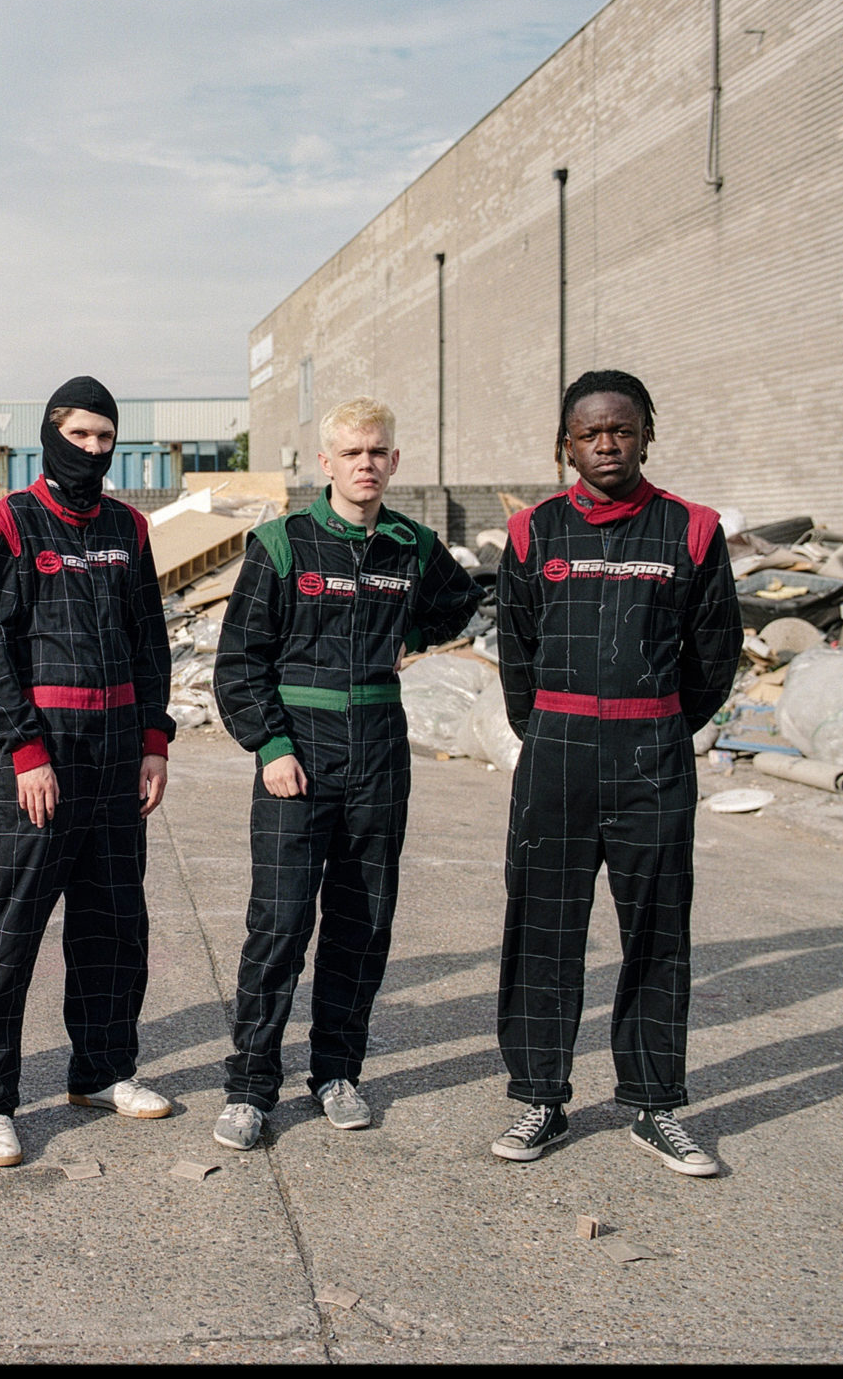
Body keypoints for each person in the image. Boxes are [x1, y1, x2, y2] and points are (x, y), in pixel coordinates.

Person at [210, 398, 480, 1150]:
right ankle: (249, 1086)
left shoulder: (411, 546)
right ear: (324, 464)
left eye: (378, 451)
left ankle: (336, 1073)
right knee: (281, 923)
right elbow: (237, 665)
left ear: (395, 461)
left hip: (379, 755)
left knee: (362, 926)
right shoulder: (282, 544)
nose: (366, 463)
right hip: (299, 754)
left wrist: (408, 632)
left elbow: (461, 604)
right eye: (352, 453)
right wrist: (271, 749)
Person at [489, 370, 740, 1176]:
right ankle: (540, 1097)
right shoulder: (533, 532)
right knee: (544, 931)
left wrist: (660, 726)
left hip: (653, 756)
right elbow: (515, 650)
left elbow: (715, 656)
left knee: (658, 931)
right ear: (565, 443)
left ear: (647, 435)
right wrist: (551, 728)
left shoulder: (693, 530)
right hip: (556, 755)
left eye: (621, 430)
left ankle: (655, 1106)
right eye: (590, 433)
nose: (607, 444)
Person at [0, 376, 177, 1167]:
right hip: (40, 762)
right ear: (50, 434)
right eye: (79, 435)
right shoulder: (8, 524)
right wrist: (24, 749)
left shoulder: (129, 528)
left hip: (118, 757)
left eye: (104, 437)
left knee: (114, 927)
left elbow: (151, 640)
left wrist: (155, 740)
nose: (92, 450)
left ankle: (103, 1069)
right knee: (12, 931)